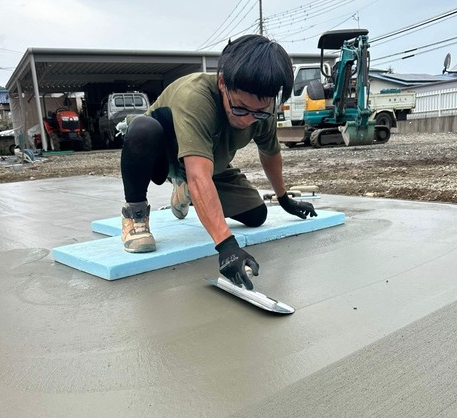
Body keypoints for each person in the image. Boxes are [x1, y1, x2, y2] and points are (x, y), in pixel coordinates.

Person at [119, 34, 317, 290]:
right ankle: (134, 215)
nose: (248, 120)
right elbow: (199, 175)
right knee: (142, 129)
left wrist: (284, 199)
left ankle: (186, 192)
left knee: (257, 215)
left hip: (209, 165)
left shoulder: (263, 111)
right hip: (164, 156)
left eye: (258, 111)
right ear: (222, 82)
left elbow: (271, 154)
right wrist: (226, 246)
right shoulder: (196, 96)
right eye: (240, 109)